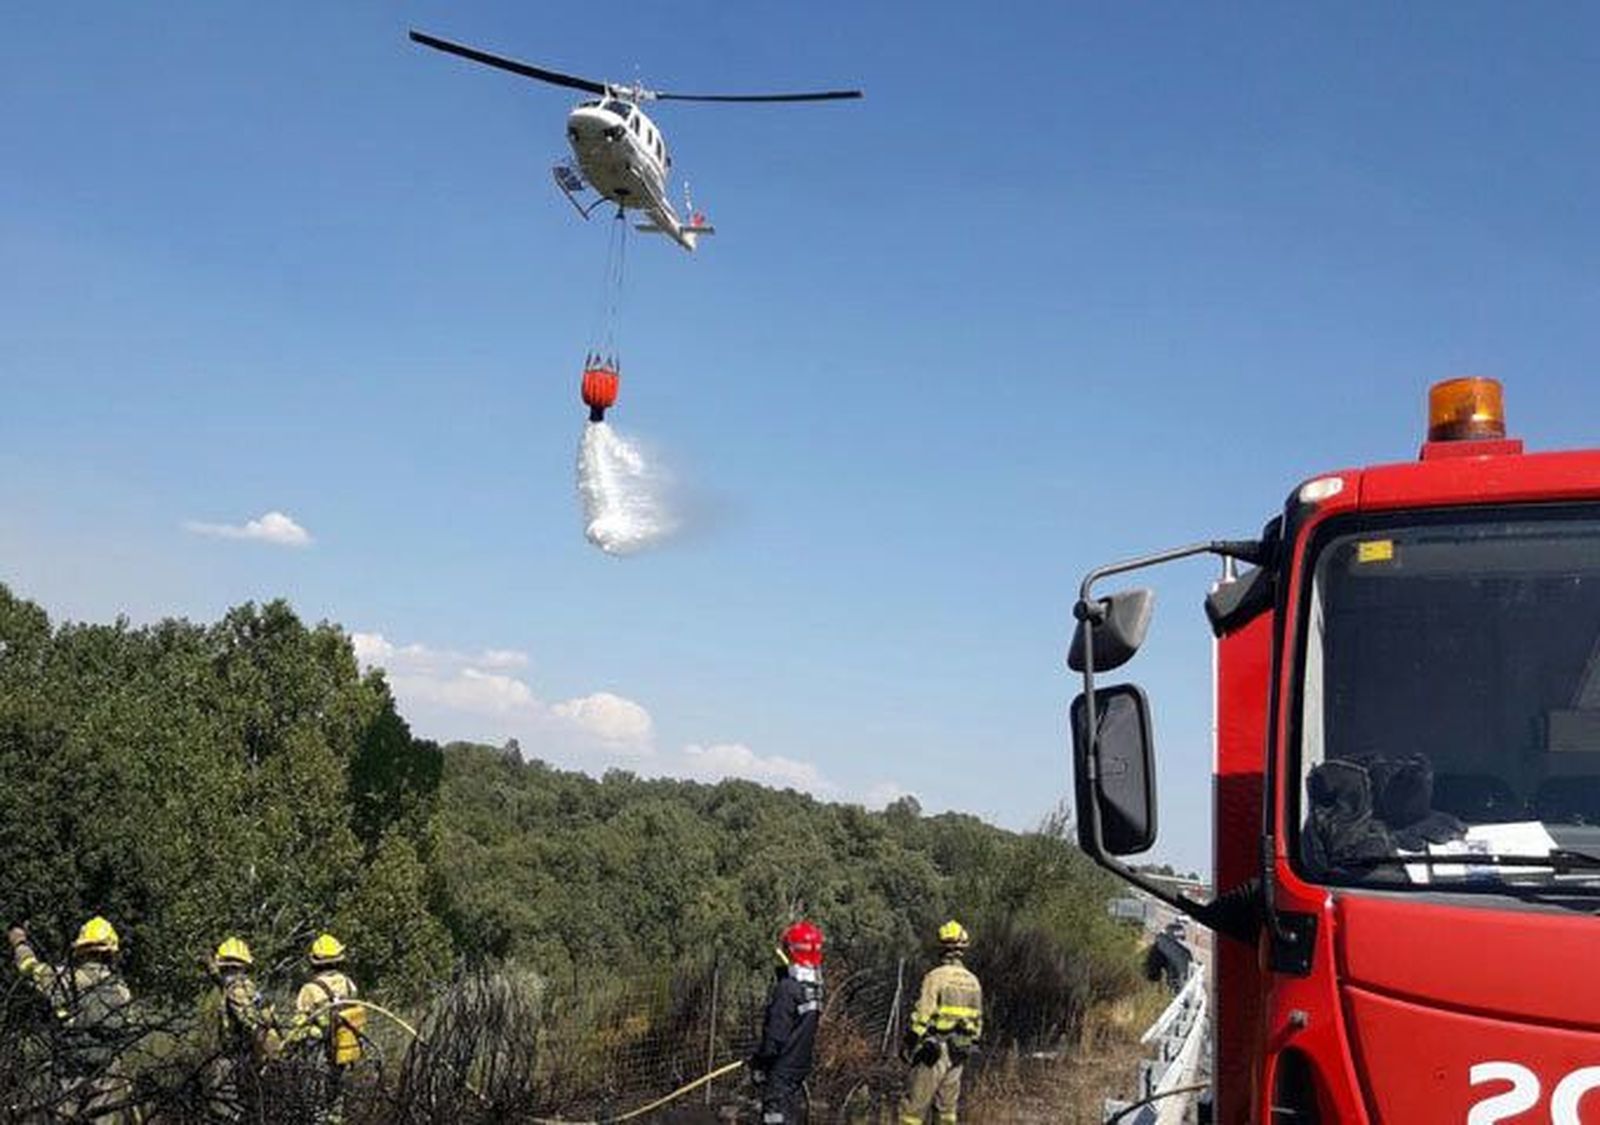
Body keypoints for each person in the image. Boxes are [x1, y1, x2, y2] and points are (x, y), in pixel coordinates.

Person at [8, 916, 139, 1123]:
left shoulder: (63, 980)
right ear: (110, 954)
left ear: (81, 950)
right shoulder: (122, 991)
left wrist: (19, 941)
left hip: (69, 1075)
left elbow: (29, 967)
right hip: (107, 1076)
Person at [899, 920, 983, 1125]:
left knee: (914, 1107)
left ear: (941, 947)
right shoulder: (973, 981)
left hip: (934, 1051)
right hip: (960, 1051)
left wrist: (910, 1040)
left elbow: (923, 1015)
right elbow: (978, 1022)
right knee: (947, 1110)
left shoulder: (935, 977)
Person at [749, 920, 825, 1125]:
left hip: (781, 1070)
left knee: (775, 1118)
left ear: (791, 951)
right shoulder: (813, 989)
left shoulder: (787, 989)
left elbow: (776, 1035)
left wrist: (760, 1063)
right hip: (799, 1067)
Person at [285, 932, 364, 1124]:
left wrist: (287, 1045)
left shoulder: (309, 989)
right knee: (336, 1093)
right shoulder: (348, 983)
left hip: (317, 1051)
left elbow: (299, 1024)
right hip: (343, 1047)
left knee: (315, 1097)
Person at [208, 936, 282, 1122]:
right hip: (238, 1058)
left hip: (232, 1058)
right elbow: (255, 1021)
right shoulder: (237, 987)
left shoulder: (230, 987)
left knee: (225, 1109)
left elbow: (250, 1021)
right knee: (230, 1109)